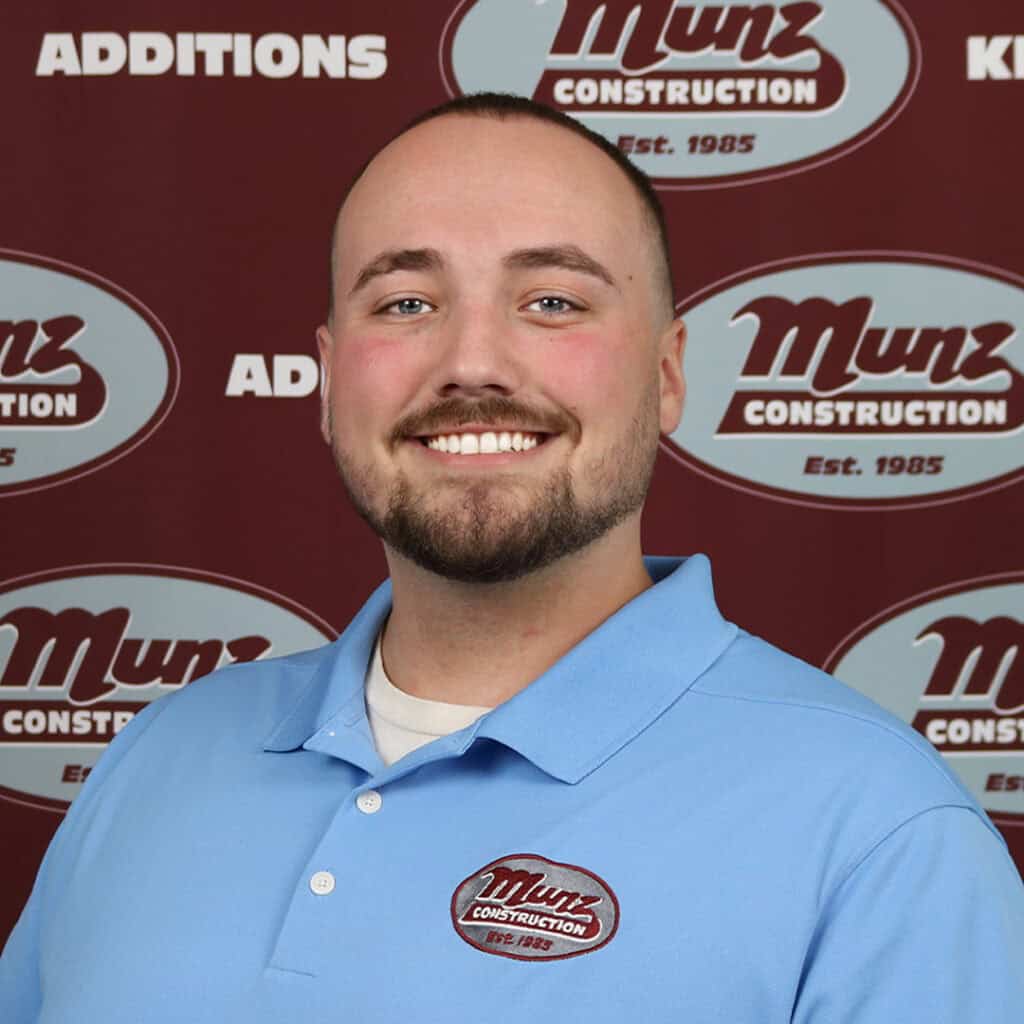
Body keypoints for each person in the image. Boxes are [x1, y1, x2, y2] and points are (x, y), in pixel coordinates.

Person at [2, 92, 1023, 1023]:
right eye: (406, 302)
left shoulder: (881, 834)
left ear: (667, 375)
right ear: (328, 378)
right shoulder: (157, 757)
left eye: (552, 302)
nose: (472, 363)